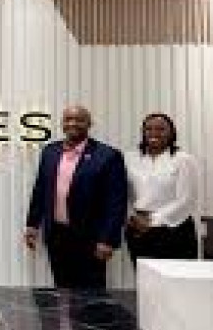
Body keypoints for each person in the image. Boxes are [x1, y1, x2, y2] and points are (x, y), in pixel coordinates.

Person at [24, 105, 128, 289]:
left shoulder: (108, 155)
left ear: (89, 123)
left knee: (91, 294)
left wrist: (108, 239)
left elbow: (116, 202)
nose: (73, 123)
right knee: (62, 288)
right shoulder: (50, 151)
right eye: (68, 119)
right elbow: (40, 190)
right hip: (57, 235)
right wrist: (32, 225)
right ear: (62, 123)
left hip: (91, 239)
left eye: (79, 120)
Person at [124, 113, 199, 266]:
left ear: (171, 133)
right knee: (145, 276)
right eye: (149, 129)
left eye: (160, 129)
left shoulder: (183, 160)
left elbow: (186, 199)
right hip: (138, 229)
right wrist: (132, 217)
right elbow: (123, 193)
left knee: (176, 276)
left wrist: (152, 221)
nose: (154, 133)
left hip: (173, 229)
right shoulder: (130, 159)